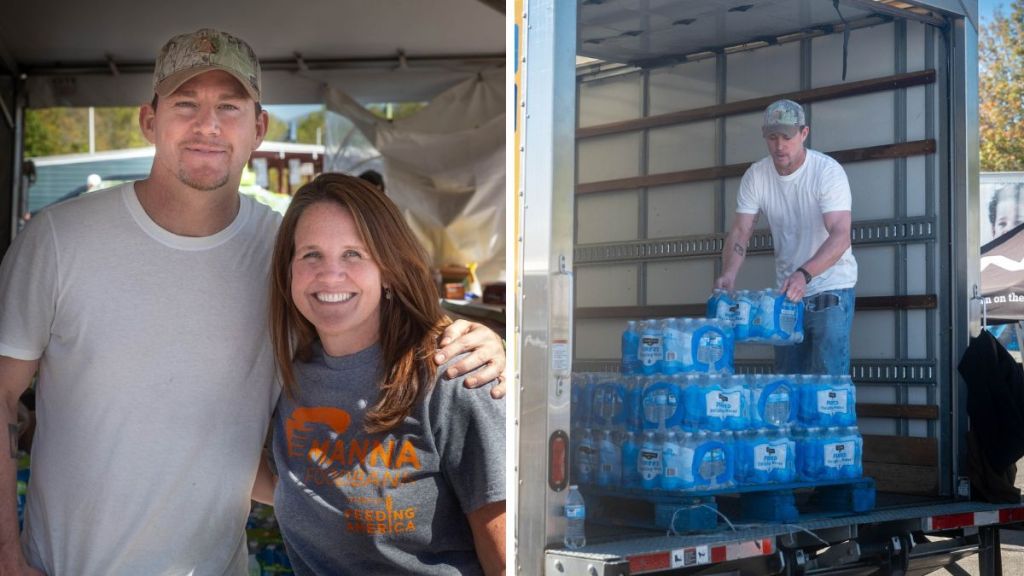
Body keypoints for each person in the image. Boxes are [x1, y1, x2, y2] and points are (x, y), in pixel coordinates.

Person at [0, 28, 505, 576]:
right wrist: (7, 557)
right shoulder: (58, 239)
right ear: (149, 120)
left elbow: (365, 314)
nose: (208, 125)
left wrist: (471, 339)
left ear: (259, 127)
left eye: (229, 106)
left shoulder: (285, 249)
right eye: (186, 103)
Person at [259, 174, 504, 574]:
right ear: (289, 271)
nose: (330, 275)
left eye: (354, 254)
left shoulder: (454, 373)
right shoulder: (285, 373)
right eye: (311, 255)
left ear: (388, 269)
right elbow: (292, 488)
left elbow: (505, 555)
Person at [714, 99, 858, 375]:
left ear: (804, 134)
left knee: (826, 381)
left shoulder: (827, 172)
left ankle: (829, 420)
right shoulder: (756, 176)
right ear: (764, 136)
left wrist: (804, 274)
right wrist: (729, 274)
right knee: (787, 381)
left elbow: (841, 235)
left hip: (831, 286)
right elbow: (741, 230)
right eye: (772, 137)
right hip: (788, 292)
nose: (779, 146)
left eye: (787, 137)